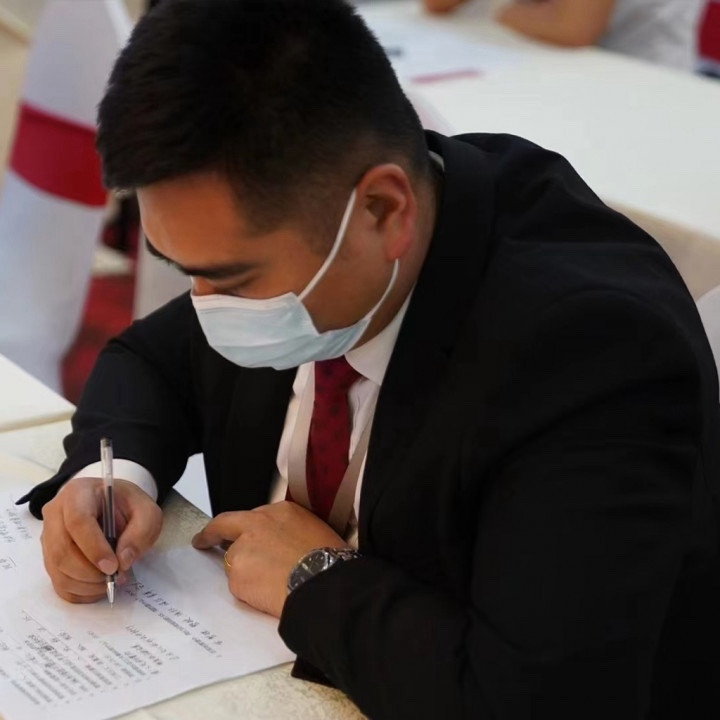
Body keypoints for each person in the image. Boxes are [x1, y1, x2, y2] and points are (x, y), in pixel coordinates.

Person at [19, 0, 720, 718]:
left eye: (231, 279)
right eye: (182, 268)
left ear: (384, 210)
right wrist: (115, 479)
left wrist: (314, 579)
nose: (205, 306)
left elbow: (538, 701)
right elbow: (150, 362)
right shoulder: (304, 244)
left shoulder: (592, 356)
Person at [424, 0, 704, 72]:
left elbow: (571, 30)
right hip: (554, 65)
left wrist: (500, 11)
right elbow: (437, 5)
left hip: (643, 77)